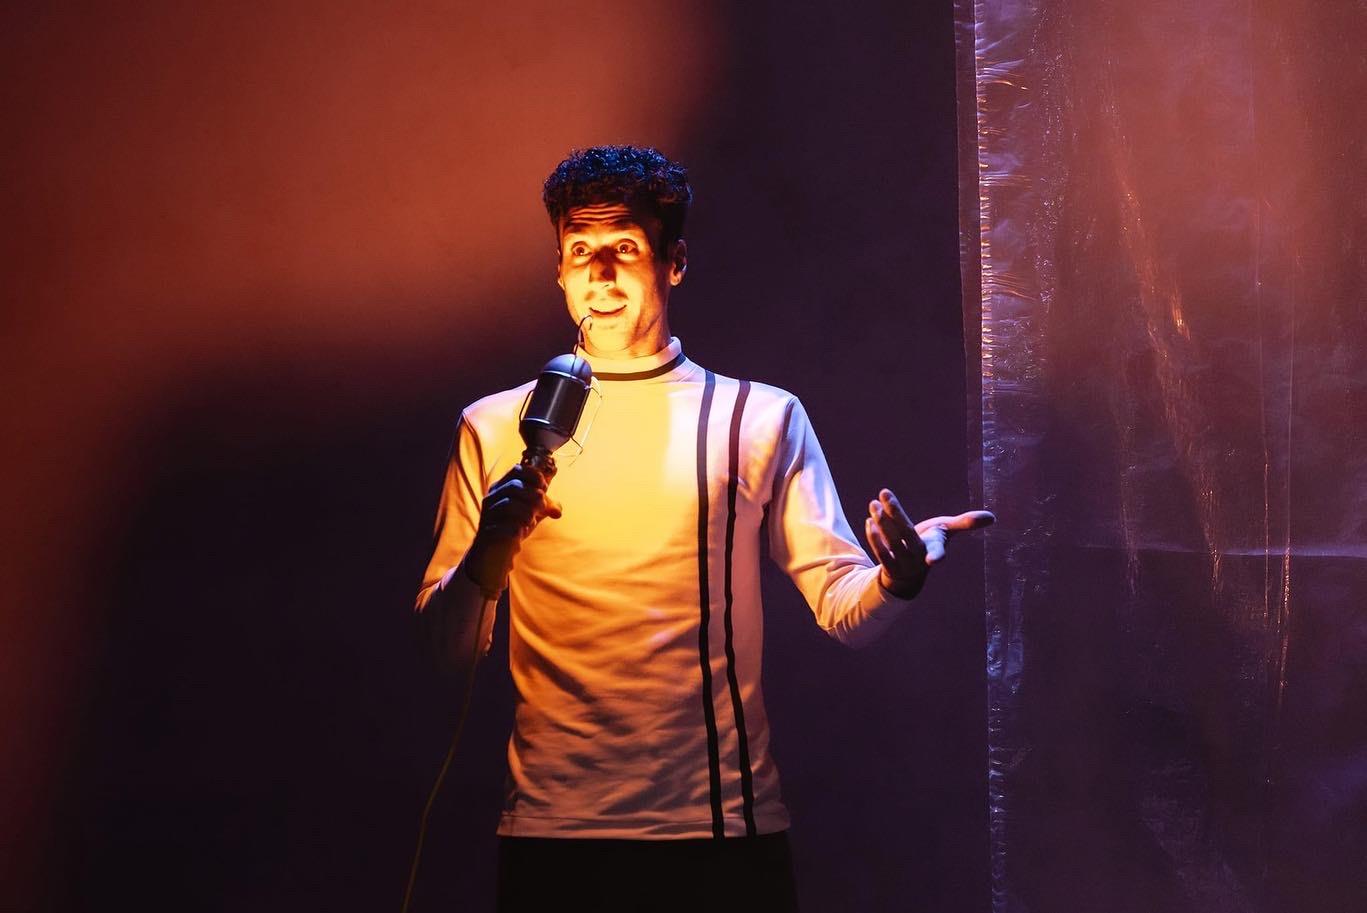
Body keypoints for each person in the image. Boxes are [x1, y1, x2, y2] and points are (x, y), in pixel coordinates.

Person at [414, 145, 993, 912]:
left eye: (625, 248)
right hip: (552, 836)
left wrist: (898, 577)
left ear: (675, 261)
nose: (601, 275)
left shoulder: (757, 417)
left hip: (719, 837)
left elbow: (842, 608)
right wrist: (488, 550)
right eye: (581, 251)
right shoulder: (493, 427)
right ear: (558, 269)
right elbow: (444, 652)